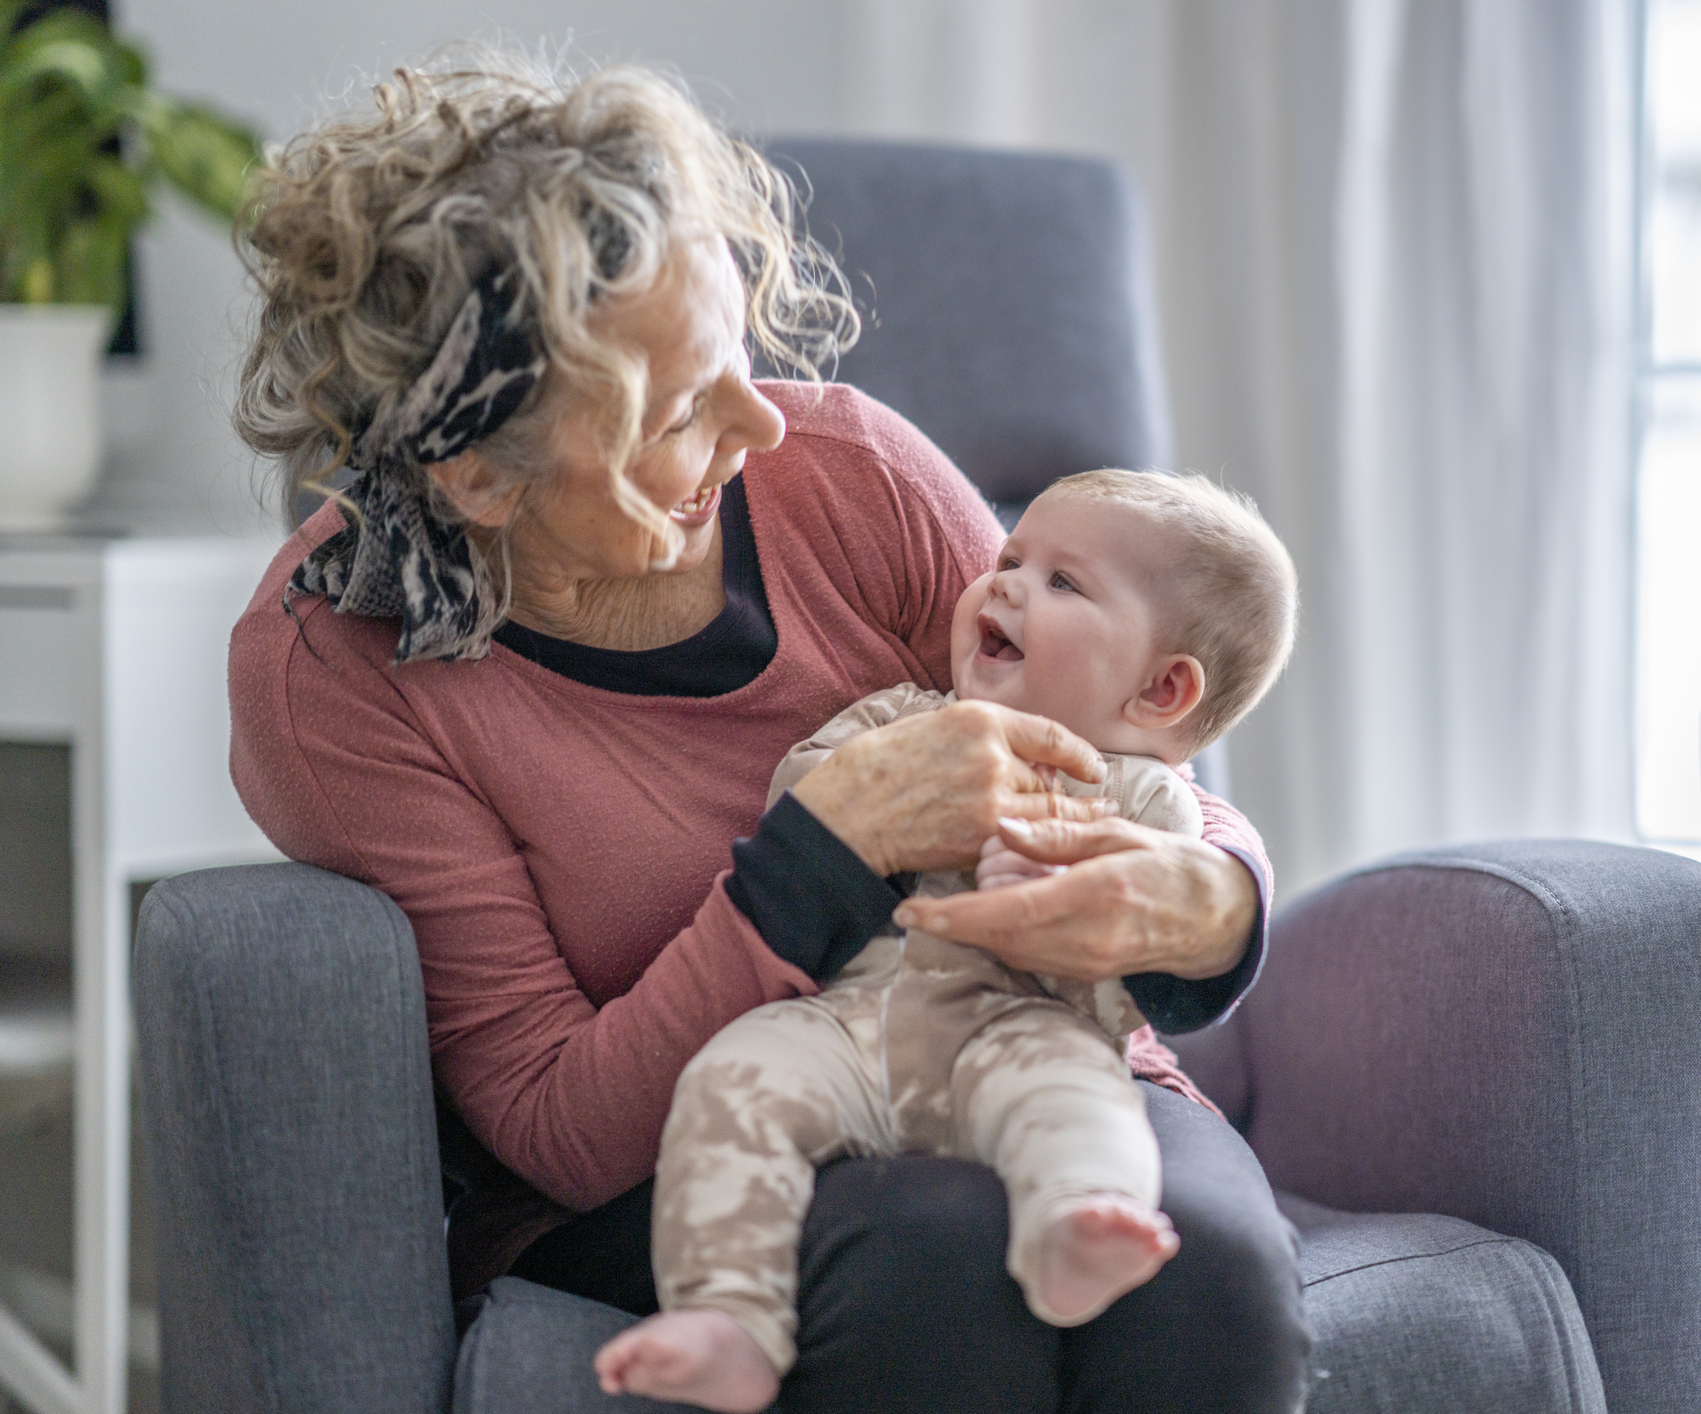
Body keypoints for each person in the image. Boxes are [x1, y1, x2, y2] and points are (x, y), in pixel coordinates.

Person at [224, 47, 1310, 1414]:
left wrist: (1209, 896)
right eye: (681, 410)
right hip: (691, 1148)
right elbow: (557, 1125)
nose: (763, 422)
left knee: (1202, 1263)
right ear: (477, 478)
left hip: (1028, 1052)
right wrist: (822, 850)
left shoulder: (848, 466)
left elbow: (1133, 768)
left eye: (737, 350)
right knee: (934, 1256)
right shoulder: (335, 672)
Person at [593, 470, 1297, 1410]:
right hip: (843, 1025)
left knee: (1082, 1104)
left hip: (1021, 1030)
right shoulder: (903, 716)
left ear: (1162, 689)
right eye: (1009, 559)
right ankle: (729, 1315)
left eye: (1062, 583)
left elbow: (1138, 964)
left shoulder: (1144, 803)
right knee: (730, 1083)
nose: (1002, 583)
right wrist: (872, 800)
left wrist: (1062, 895)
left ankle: (1076, 1227)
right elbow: (798, 800)